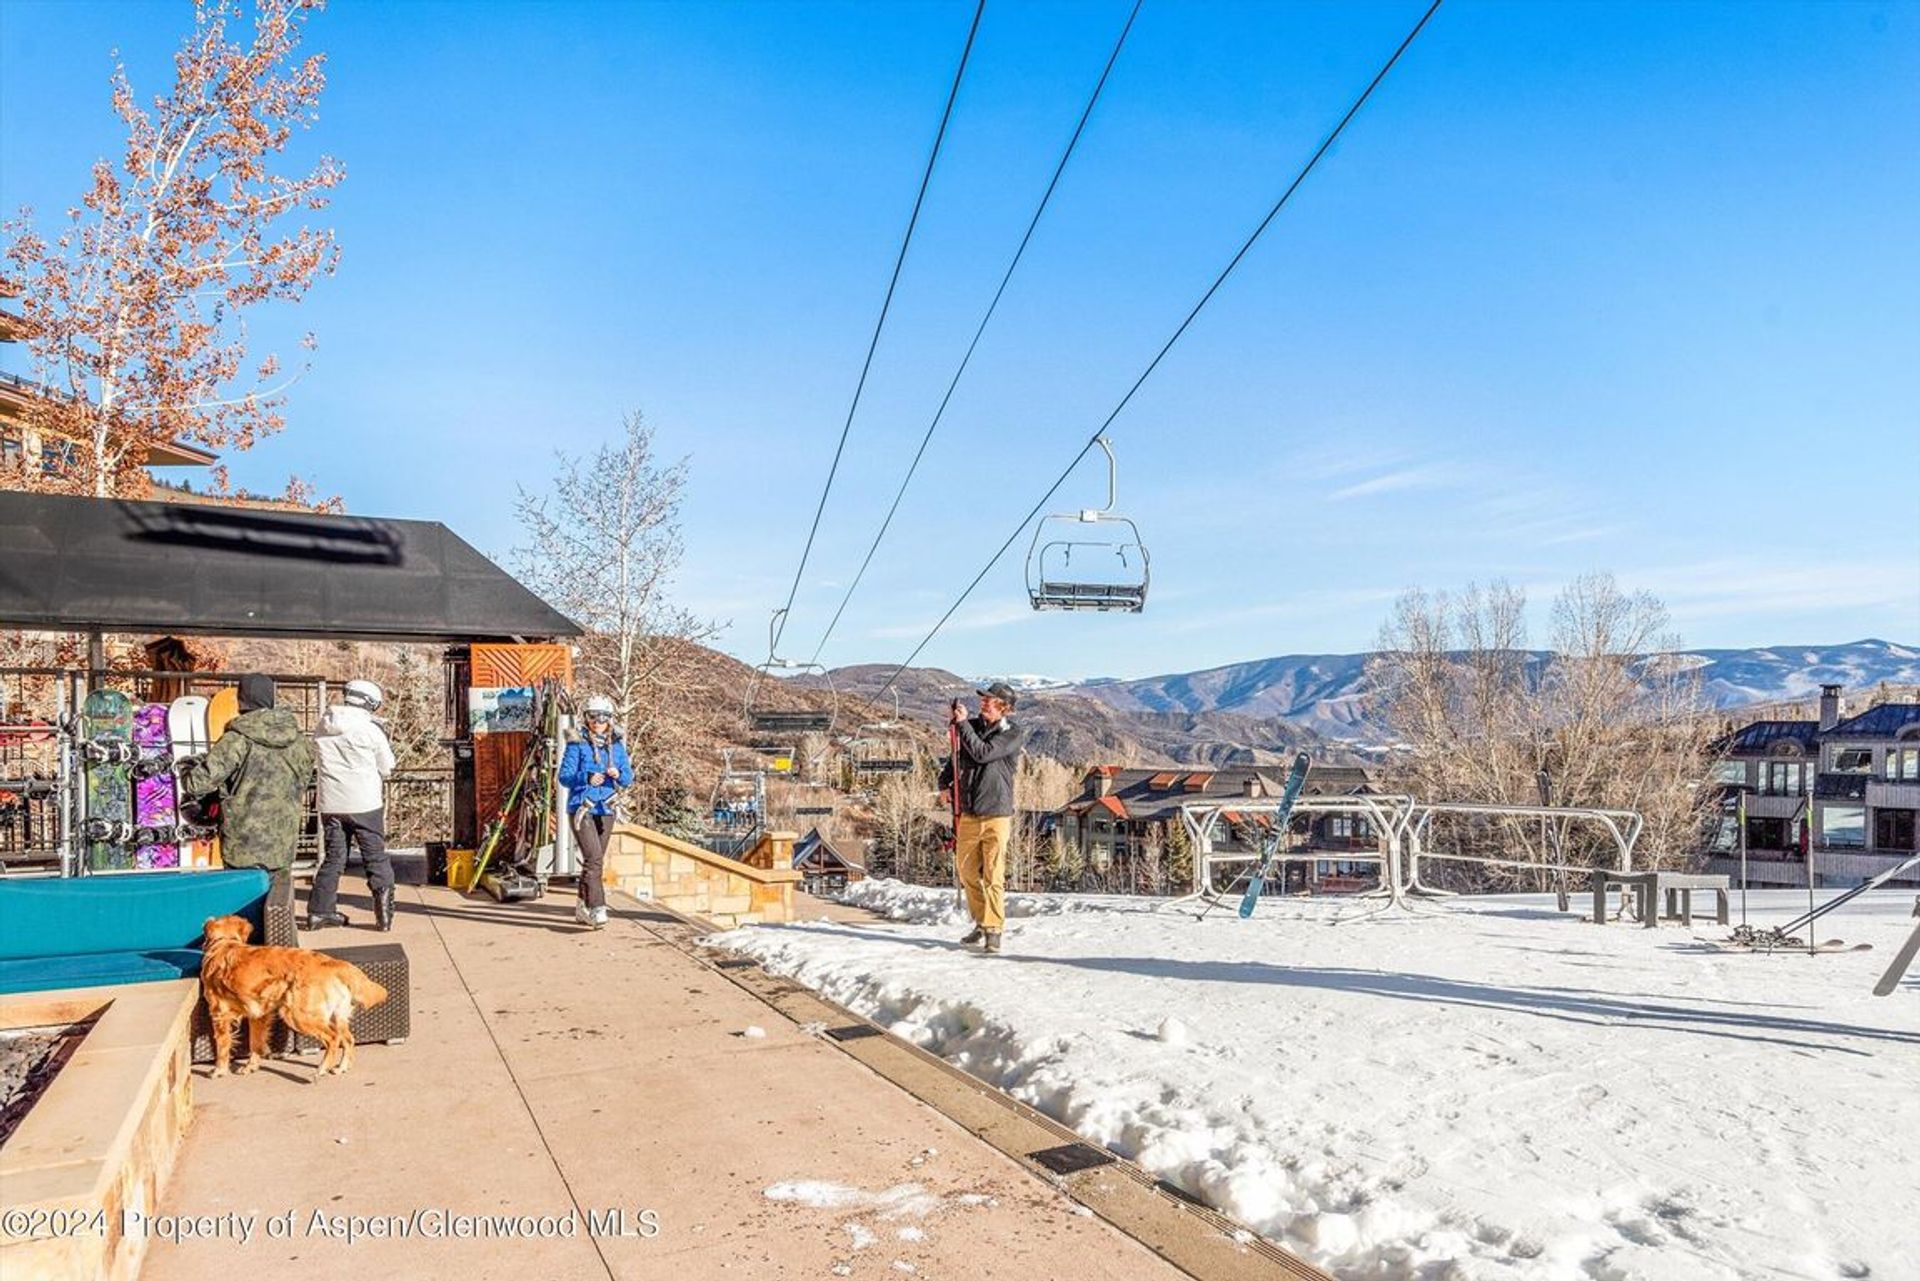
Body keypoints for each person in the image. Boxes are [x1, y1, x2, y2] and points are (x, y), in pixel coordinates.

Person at [178, 674, 314, 904]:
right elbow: (305, 780)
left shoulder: (237, 740)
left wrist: (186, 768)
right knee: (278, 906)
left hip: (242, 840)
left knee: (241, 906)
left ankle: (243, 940)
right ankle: (278, 939)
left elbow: (197, 783)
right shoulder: (299, 741)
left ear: (241, 700)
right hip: (284, 838)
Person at [939, 681, 1028, 954]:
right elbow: (957, 759)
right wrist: (944, 783)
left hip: (997, 813)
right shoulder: (973, 727)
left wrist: (963, 725)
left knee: (993, 873)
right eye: (984, 699)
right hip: (969, 812)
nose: (983, 703)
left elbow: (982, 754)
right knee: (967, 871)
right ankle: (981, 921)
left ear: (1005, 707)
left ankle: (993, 929)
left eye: (989, 700)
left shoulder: (1013, 733)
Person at [306, 679, 398, 931]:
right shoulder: (370, 730)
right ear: (371, 702)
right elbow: (387, 767)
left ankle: (319, 912)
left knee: (334, 857)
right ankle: (384, 917)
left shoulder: (323, 725)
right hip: (365, 802)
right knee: (375, 857)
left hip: (331, 803)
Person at [558, 695, 631, 929]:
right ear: (586, 718)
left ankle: (582, 906)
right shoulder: (576, 743)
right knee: (594, 858)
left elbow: (629, 778)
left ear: (610, 719)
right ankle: (598, 907)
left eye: (603, 717)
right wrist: (586, 777)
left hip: (606, 807)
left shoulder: (617, 746)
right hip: (582, 807)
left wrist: (618, 775)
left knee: (593, 862)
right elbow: (564, 777)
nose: (598, 721)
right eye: (593, 716)